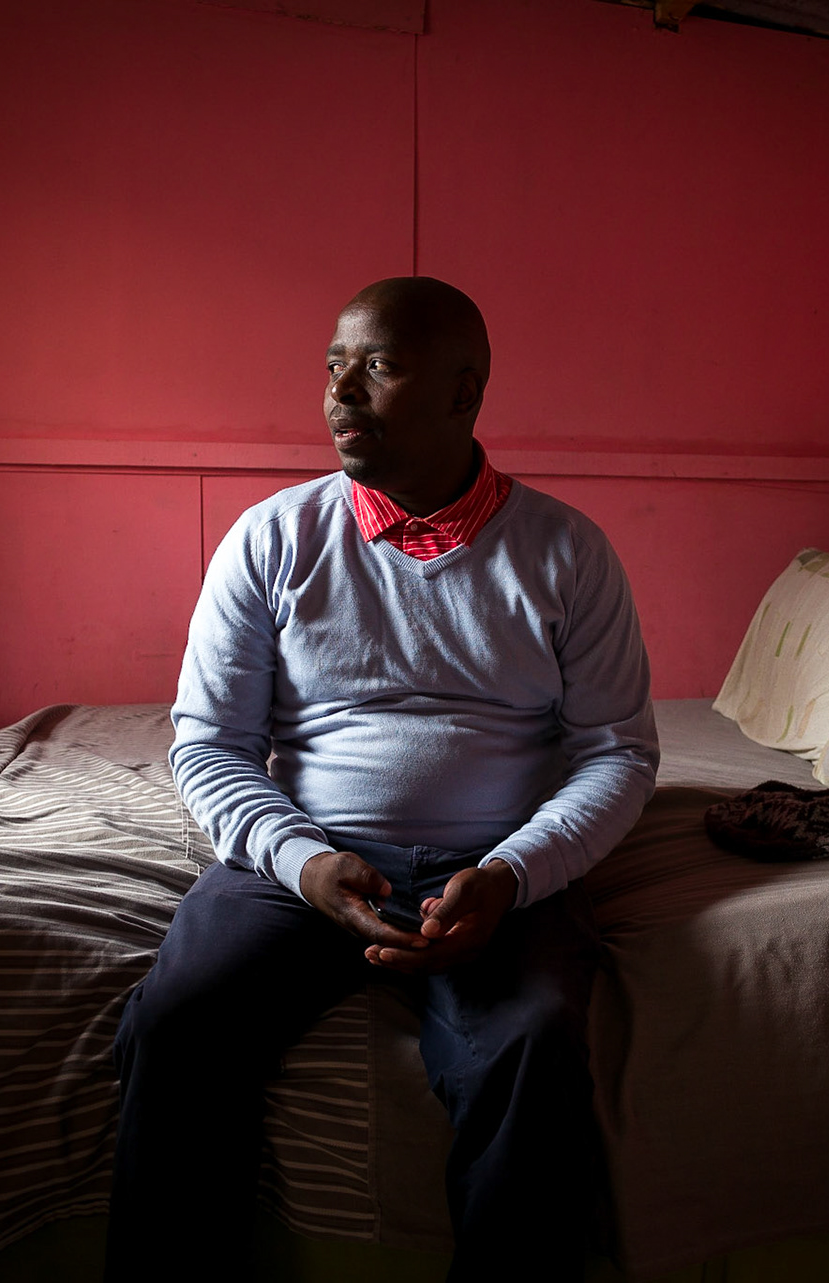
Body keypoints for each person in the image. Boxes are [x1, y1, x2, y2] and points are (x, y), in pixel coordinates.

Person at [105, 277, 659, 1281]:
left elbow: (617, 750)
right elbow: (207, 742)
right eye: (332, 365)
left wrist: (514, 872)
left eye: (379, 365)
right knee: (175, 1021)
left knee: (531, 1038)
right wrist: (303, 860)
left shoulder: (567, 554)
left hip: (494, 872)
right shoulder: (272, 538)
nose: (339, 392)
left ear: (464, 392)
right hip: (303, 862)